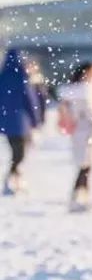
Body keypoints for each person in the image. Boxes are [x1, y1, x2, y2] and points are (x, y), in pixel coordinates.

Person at [58, 62, 92, 212]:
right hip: (88, 131)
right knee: (85, 166)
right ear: (85, 73)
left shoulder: (74, 91)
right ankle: (79, 198)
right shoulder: (86, 90)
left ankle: (81, 197)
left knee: (84, 166)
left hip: (80, 131)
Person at [0, 49, 42, 195]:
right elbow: (30, 100)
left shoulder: (2, 76)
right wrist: (36, 120)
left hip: (6, 121)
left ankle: (16, 180)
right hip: (21, 122)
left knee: (15, 152)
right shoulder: (21, 76)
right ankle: (11, 180)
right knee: (20, 154)